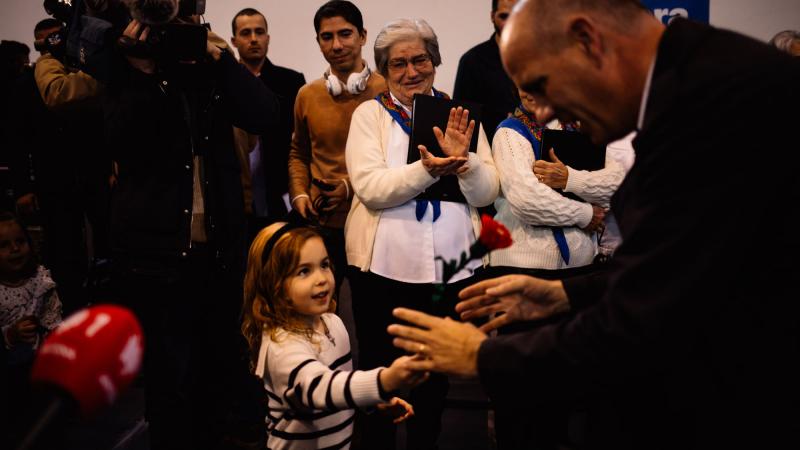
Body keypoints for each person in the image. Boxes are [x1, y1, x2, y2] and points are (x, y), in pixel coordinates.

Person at [387, 1, 800, 449]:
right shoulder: (696, 76)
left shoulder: (714, 105)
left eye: (543, 85)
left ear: (586, 39)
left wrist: (482, 356)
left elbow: (645, 320)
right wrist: (568, 294)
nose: (543, 115)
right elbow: (686, 268)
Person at [103, 15, 279, 450]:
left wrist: (221, 60)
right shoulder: (121, 65)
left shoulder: (209, 68)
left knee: (219, 374)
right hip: (156, 259)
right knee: (169, 383)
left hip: (218, 254)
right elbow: (117, 140)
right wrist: (141, 71)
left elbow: (265, 114)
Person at [345, 18, 499, 450]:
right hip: (382, 270)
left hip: (449, 272)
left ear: (435, 62)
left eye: (421, 60)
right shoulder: (369, 115)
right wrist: (427, 169)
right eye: (399, 64)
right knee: (379, 372)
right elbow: (372, 190)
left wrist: (464, 162)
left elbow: (489, 191)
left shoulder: (460, 114)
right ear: (384, 70)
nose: (412, 71)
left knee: (433, 378)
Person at [241, 222, 426, 449]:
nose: (321, 278)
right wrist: (385, 380)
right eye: (304, 271)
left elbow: (338, 389)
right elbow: (319, 389)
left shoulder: (333, 323)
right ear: (274, 285)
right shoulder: (282, 346)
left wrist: (372, 400)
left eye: (324, 265)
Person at [288, 0, 385, 288]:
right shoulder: (307, 95)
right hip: (320, 225)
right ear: (318, 42)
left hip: (373, 223)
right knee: (321, 313)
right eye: (327, 37)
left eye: (345, 34)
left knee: (370, 318)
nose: (337, 45)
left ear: (363, 36)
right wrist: (299, 196)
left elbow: (395, 160)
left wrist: (348, 188)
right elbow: (298, 153)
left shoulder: (387, 91)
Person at [489, 88, 622, 279]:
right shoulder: (510, 132)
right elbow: (527, 201)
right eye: (522, 84)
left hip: (582, 264)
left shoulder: (583, 128)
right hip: (523, 264)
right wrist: (586, 214)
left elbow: (617, 185)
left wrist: (570, 179)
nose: (530, 91)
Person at [230, 8, 306, 232]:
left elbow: (302, 141)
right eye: (246, 33)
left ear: (268, 38)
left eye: (259, 32)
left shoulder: (291, 82)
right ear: (234, 41)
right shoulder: (223, 84)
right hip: (235, 194)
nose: (253, 39)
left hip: (280, 191)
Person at [0, 212, 62, 445]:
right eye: (4, 245)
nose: (15, 249)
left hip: (38, 364)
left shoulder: (40, 280)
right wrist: (10, 334)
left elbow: (50, 315)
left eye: (20, 241)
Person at [453, 0, 519, 143]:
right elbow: (461, 121)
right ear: (492, 16)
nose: (511, 23)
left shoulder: (541, 58)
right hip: (488, 155)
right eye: (504, 16)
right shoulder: (472, 61)